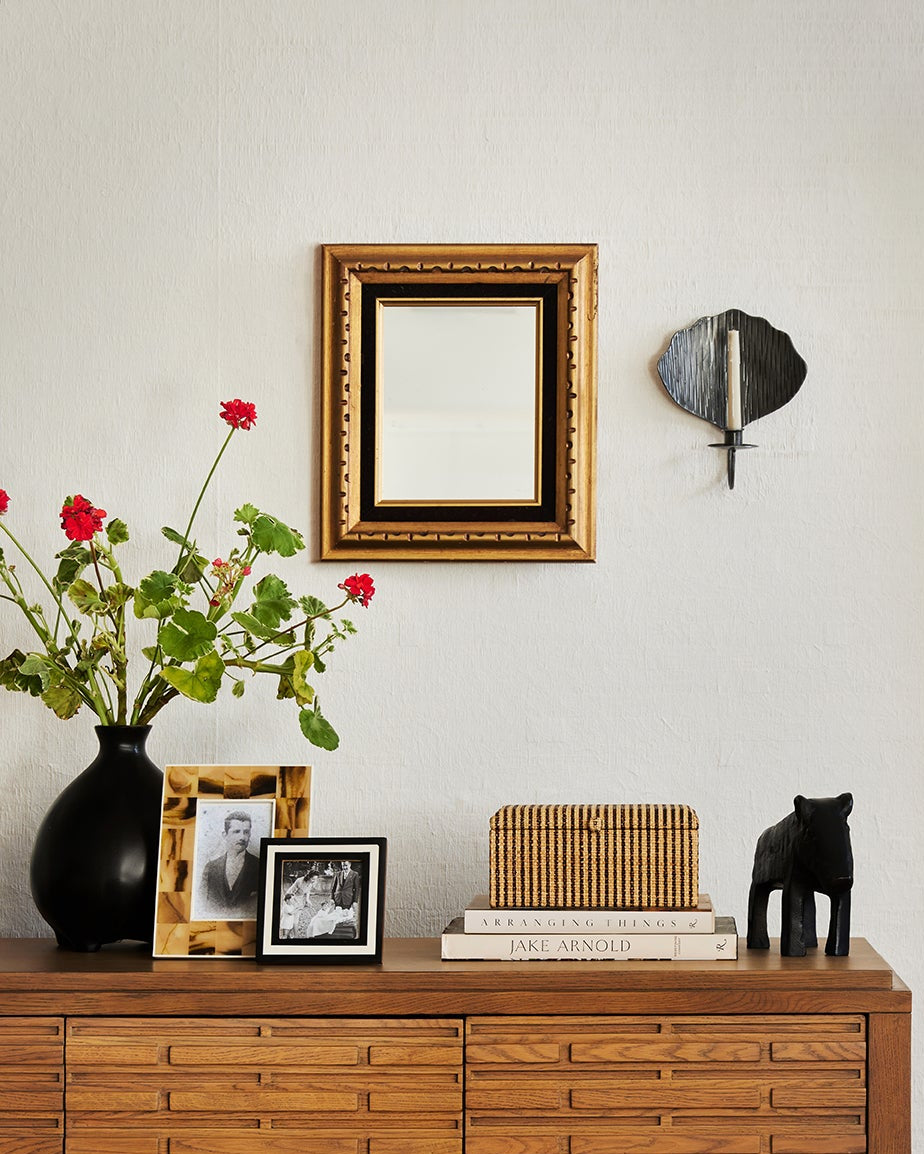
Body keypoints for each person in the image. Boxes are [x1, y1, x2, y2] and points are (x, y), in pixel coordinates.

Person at [201, 810, 261, 918]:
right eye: (236, 831)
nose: (242, 837)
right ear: (225, 835)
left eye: (246, 832)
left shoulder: (260, 866)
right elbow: (202, 905)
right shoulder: (210, 868)